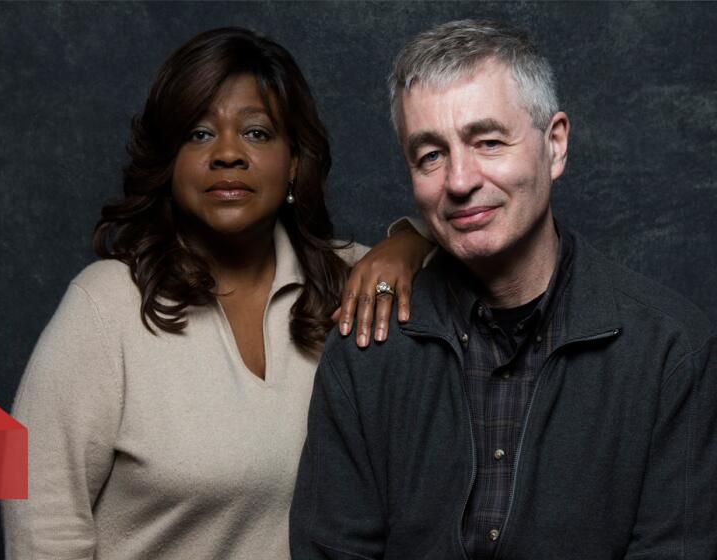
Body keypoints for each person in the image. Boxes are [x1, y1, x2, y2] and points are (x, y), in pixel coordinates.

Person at [290, 19, 717, 559]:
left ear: (555, 145)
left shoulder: (671, 353)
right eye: (430, 155)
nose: (460, 180)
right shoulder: (366, 352)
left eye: (488, 141)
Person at [1, 27, 434, 559]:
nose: (228, 153)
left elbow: (482, 253)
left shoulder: (352, 280)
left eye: (256, 133)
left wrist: (410, 241)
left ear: (295, 160)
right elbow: (43, 524)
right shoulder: (106, 307)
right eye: (199, 134)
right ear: (170, 163)